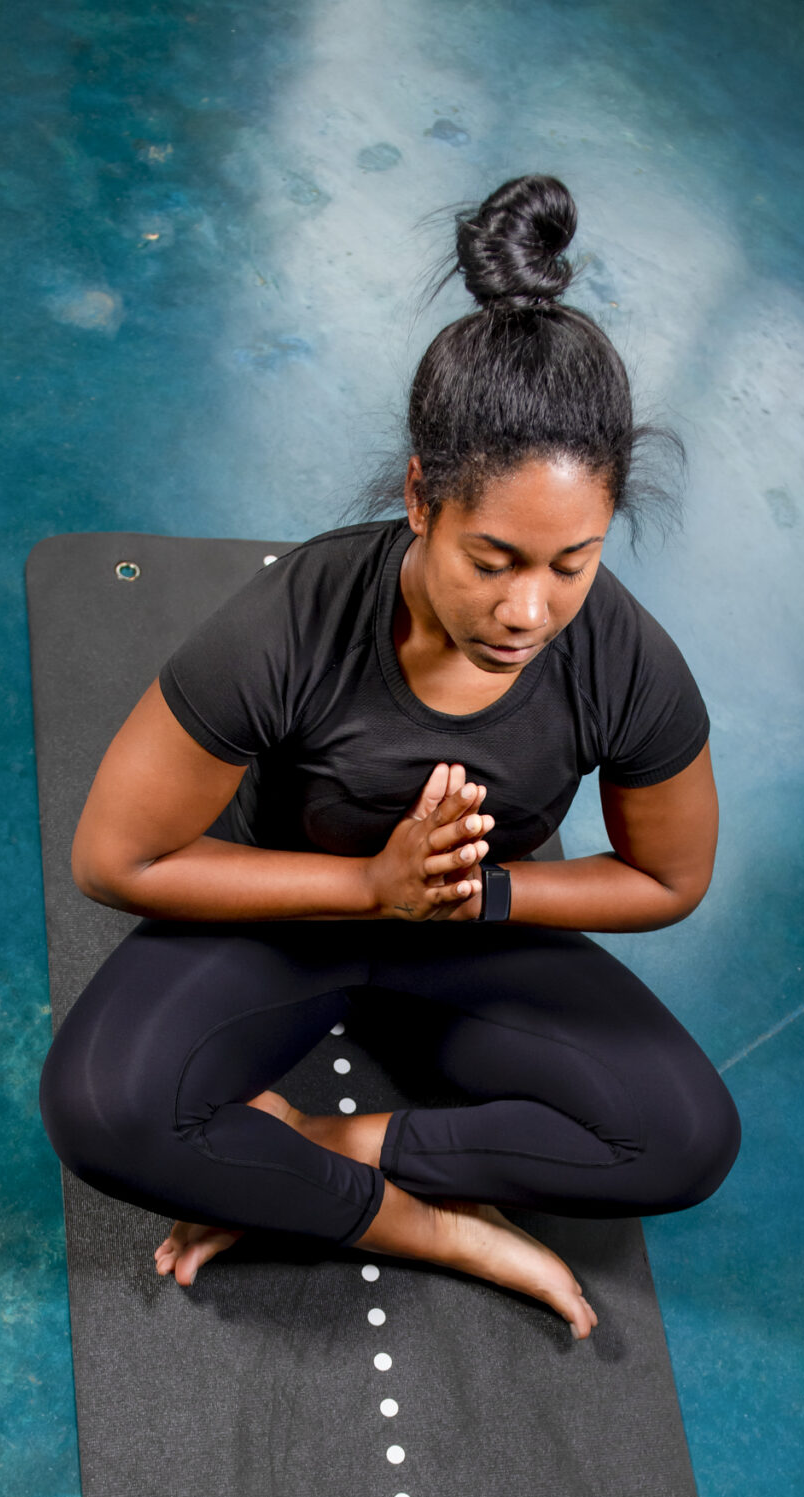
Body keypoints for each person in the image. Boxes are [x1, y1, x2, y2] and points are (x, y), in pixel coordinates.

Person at [40, 175, 738, 1340]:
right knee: (101, 1109)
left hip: (466, 937)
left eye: (572, 563)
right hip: (293, 918)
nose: (530, 608)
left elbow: (669, 878)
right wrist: (372, 887)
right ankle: (423, 1224)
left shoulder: (624, 656)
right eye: (496, 558)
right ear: (422, 497)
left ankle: (320, 1153)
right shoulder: (292, 621)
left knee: (685, 1137)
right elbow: (115, 857)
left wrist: (480, 894)